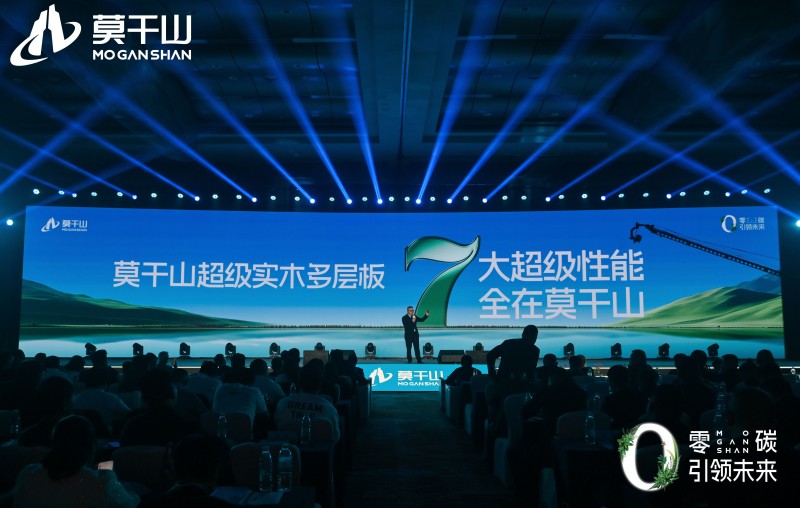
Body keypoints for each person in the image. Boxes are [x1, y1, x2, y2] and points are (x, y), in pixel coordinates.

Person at [14, 415, 140, 508]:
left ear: (53, 443)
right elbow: (129, 504)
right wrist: (107, 473)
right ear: (91, 446)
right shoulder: (100, 481)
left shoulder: (27, 473)